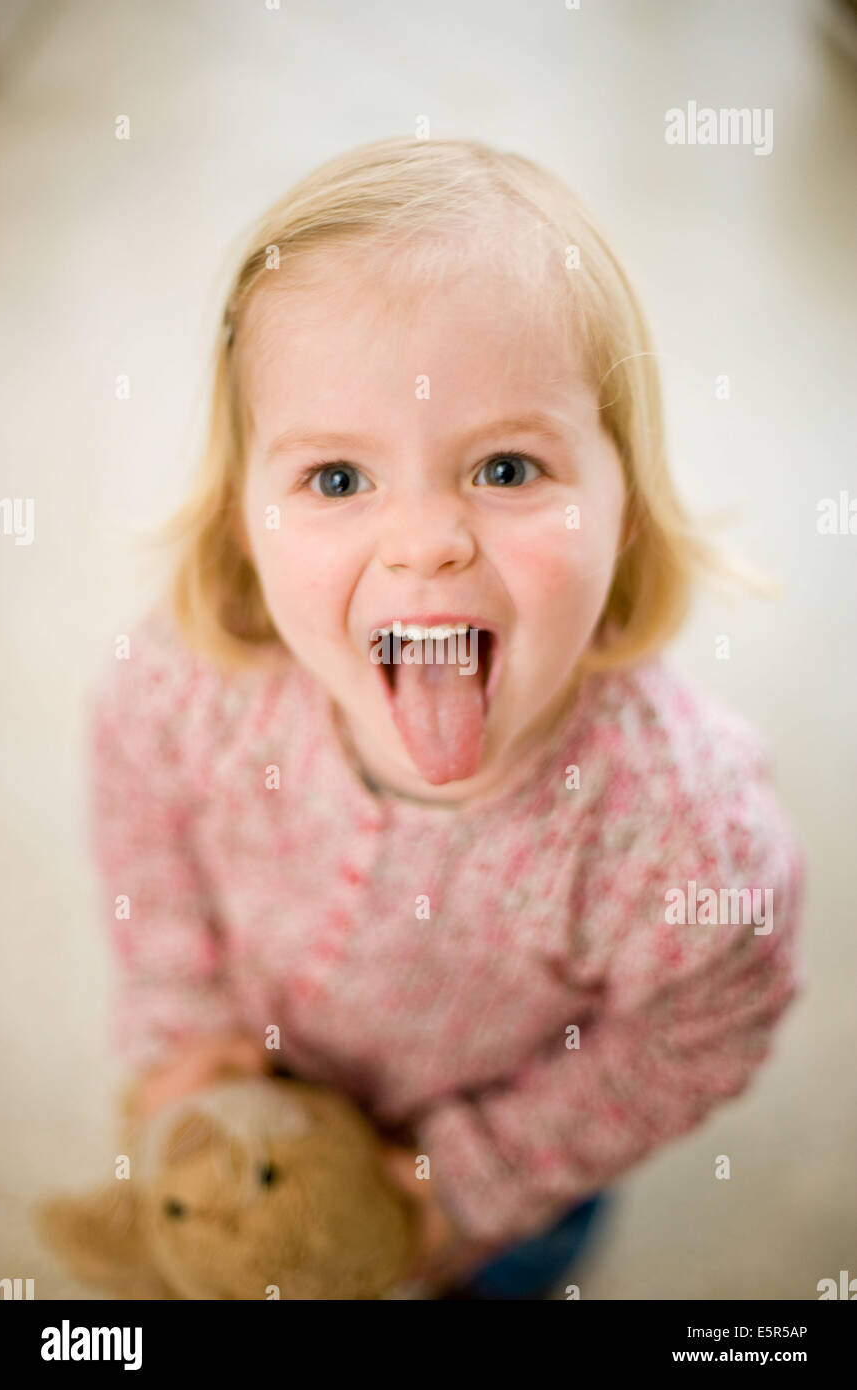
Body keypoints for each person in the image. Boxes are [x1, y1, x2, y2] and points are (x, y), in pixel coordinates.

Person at [88, 136, 806, 1300]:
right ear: (241, 522)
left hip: (501, 1211)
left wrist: (476, 1178)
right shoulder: (190, 688)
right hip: (254, 1121)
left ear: (622, 508)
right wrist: (181, 1029)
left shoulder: (676, 829)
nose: (427, 539)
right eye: (335, 479)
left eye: (508, 469)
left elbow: (705, 1024)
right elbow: (143, 827)